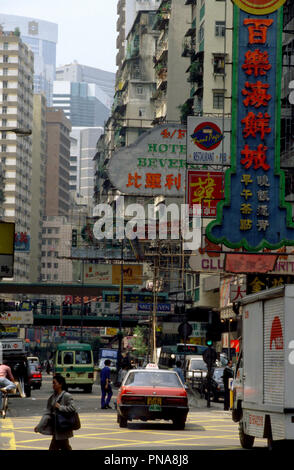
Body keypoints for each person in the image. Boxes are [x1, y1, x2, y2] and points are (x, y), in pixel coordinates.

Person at [34, 374, 76, 451]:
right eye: (52, 383)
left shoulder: (67, 396)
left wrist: (60, 407)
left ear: (60, 384)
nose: (53, 385)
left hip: (63, 427)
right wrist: (40, 426)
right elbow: (47, 413)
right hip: (57, 428)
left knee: (57, 447)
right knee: (65, 446)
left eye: (54, 383)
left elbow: (73, 408)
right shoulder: (52, 397)